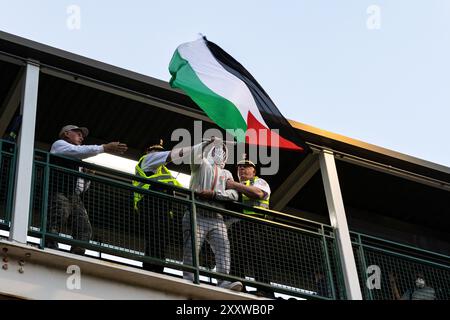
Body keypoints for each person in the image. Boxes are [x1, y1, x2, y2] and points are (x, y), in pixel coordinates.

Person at [47, 125, 128, 255]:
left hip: (72, 194)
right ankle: (50, 247)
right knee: (58, 215)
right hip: (58, 189)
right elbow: (78, 151)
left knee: (84, 227)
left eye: (82, 135)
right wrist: (104, 148)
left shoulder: (76, 158)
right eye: (78, 134)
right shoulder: (59, 144)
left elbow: (81, 189)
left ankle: (77, 253)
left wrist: (88, 178)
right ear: (67, 133)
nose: (82, 137)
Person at [182, 137, 243, 292]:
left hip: (217, 218)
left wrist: (215, 195)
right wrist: (206, 143)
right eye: (215, 149)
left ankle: (223, 281)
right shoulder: (200, 165)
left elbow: (234, 195)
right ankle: (189, 278)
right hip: (197, 213)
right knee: (192, 246)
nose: (219, 152)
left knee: (223, 248)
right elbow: (194, 155)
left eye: (222, 150)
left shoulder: (227, 173)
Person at [226, 157, 273, 297]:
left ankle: (265, 290)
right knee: (236, 254)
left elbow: (258, 193)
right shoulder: (232, 188)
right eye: (239, 167)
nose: (241, 169)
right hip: (237, 225)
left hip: (255, 223)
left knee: (258, 256)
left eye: (245, 166)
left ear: (253, 171)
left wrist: (234, 185)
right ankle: (239, 285)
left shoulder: (258, 182)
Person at [133, 139, 183, 273]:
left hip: (164, 208)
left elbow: (177, 187)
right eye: (155, 150)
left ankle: (158, 267)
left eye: (161, 151)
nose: (158, 154)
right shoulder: (147, 160)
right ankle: (150, 267)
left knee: (162, 239)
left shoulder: (164, 171)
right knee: (155, 237)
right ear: (148, 152)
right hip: (150, 202)